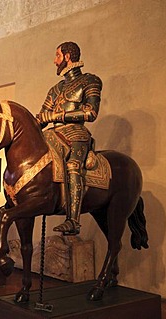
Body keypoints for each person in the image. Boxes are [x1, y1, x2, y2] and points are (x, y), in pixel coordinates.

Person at [36, 41, 103, 235]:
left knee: (73, 165)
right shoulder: (55, 89)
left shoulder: (90, 81)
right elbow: (42, 116)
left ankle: (73, 220)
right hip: (52, 135)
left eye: (57, 56)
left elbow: (91, 113)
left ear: (67, 57)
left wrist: (57, 117)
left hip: (76, 134)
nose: (54, 61)